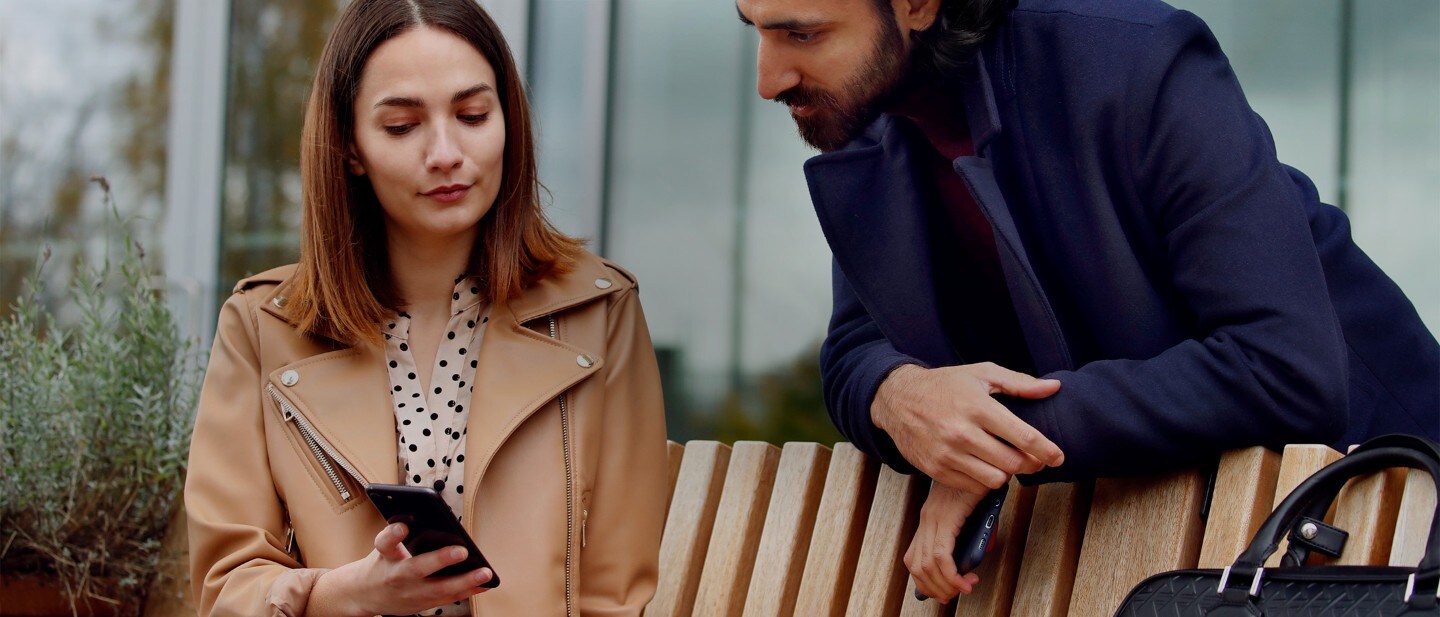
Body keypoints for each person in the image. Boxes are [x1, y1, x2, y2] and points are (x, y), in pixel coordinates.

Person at [736, 0, 1440, 602]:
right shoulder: (869, 114)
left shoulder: (1135, 61)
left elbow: (1285, 365)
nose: (770, 79)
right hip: (1156, 545)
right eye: (755, 29)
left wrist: (993, 437)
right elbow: (857, 349)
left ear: (919, 4)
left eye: (803, 34)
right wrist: (902, 396)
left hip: (1376, 514)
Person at [184, 1, 668, 615]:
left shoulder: (601, 315)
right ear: (350, 148)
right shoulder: (263, 327)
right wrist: (340, 596)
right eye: (401, 126)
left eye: (472, 115)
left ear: (507, 122)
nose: (446, 152)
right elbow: (227, 588)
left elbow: (615, 593)